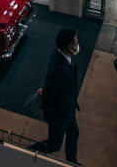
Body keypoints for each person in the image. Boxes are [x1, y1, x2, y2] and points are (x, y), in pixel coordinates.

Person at [31, 28, 81, 164]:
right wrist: (46, 93)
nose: (78, 45)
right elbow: (51, 88)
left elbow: (52, 83)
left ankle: (72, 162)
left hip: (68, 108)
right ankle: (26, 152)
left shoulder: (58, 54)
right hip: (60, 114)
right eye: (76, 43)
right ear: (70, 47)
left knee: (73, 134)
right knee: (54, 145)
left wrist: (46, 89)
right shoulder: (61, 68)